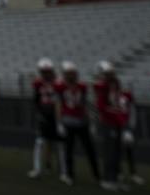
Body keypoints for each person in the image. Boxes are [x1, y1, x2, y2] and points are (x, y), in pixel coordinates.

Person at [95, 61, 139, 190]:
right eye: (108, 73)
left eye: (112, 73)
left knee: (118, 153)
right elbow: (102, 107)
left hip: (118, 122)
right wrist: (117, 113)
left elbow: (119, 104)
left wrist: (123, 123)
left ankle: (116, 178)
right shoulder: (101, 86)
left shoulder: (115, 84)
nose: (111, 75)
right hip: (109, 123)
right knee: (110, 152)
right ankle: (107, 179)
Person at [57, 61, 103, 185]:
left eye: (73, 73)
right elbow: (59, 104)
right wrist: (60, 122)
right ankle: (70, 175)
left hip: (82, 122)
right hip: (68, 122)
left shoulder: (82, 86)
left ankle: (97, 175)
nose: (71, 76)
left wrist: (91, 121)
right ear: (65, 75)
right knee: (69, 150)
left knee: (90, 150)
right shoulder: (60, 87)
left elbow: (85, 104)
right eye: (68, 74)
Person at [33, 59, 64, 179]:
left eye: (47, 72)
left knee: (59, 143)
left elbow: (61, 101)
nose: (45, 74)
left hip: (57, 116)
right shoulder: (38, 84)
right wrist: (39, 113)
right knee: (41, 142)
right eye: (43, 72)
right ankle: (40, 167)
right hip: (44, 115)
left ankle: (62, 168)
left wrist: (60, 119)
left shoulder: (58, 83)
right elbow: (36, 100)